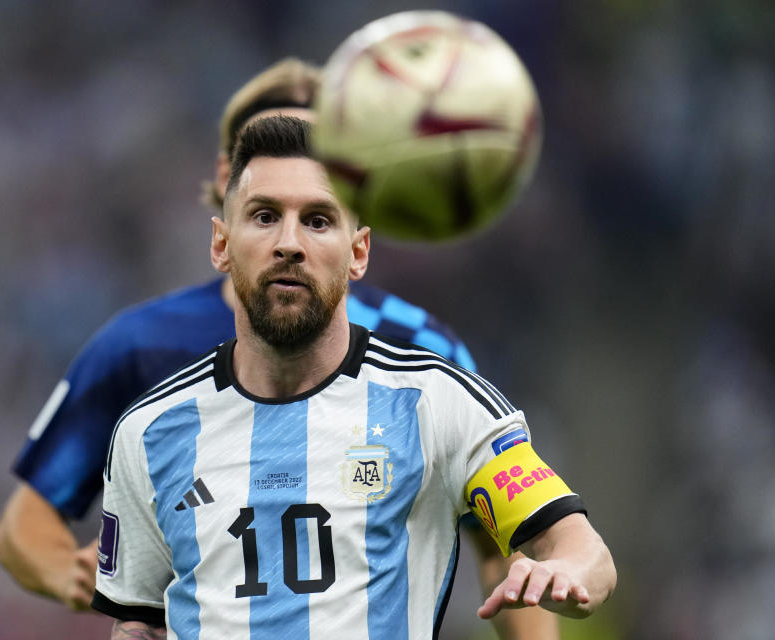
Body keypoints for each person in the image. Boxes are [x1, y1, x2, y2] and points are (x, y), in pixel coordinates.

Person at [0, 58, 559, 639]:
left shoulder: (420, 351)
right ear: (225, 181)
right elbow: (27, 523)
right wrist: (79, 575)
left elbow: (504, 546)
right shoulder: (141, 348)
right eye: (268, 204)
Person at [91, 116, 616, 639]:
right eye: (265, 216)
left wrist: (563, 570)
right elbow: (138, 622)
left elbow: (582, 548)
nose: (289, 243)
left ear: (358, 251)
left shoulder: (437, 404)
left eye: (318, 220)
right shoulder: (148, 431)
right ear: (221, 245)